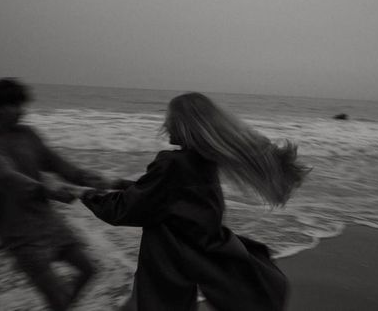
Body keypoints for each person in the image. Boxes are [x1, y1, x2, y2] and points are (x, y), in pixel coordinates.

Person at [79, 92, 311, 311]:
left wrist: (84, 195)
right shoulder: (202, 164)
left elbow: (127, 209)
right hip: (184, 267)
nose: (165, 126)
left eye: (170, 120)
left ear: (184, 125)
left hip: (166, 269)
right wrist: (120, 183)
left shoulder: (174, 164)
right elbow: (162, 196)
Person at [0, 78, 112, 311]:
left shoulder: (28, 134)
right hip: (20, 234)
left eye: (21, 104)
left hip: (48, 223)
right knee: (57, 300)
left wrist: (88, 177)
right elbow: (6, 176)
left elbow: (59, 165)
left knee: (89, 269)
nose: (21, 111)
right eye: (14, 105)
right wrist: (47, 190)